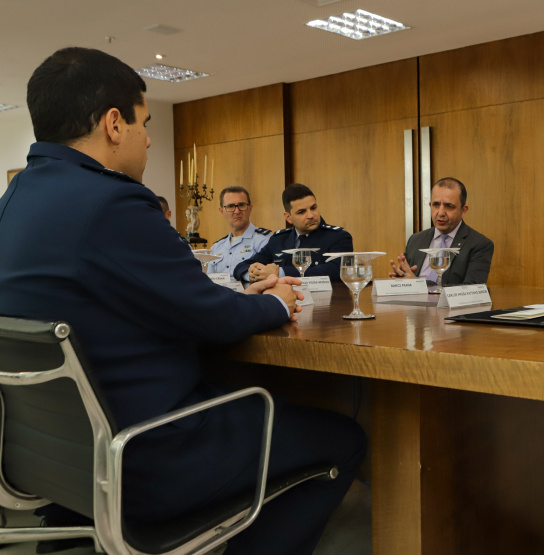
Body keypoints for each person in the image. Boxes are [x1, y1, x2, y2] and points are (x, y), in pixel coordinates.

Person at [0, 47, 366, 555]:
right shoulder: (114, 201)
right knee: (344, 439)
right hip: (152, 454)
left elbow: (126, 300)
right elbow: (212, 320)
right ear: (113, 124)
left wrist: (234, 294)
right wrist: (278, 302)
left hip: (61, 461)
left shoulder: (13, 203)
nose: (149, 138)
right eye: (144, 123)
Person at [234, 183, 353, 283]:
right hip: (283, 303)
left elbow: (336, 270)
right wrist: (251, 274)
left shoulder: (339, 237)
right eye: (301, 212)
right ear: (288, 217)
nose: (311, 215)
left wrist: (280, 272)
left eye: (313, 208)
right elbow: (242, 266)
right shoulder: (279, 239)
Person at [388, 177, 494, 285]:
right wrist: (401, 278)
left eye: (449, 206)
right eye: (436, 205)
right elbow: (407, 278)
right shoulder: (415, 240)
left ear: (463, 210)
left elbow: (472, 290)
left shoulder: (480, 244)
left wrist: (417, 284)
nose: (441, 213)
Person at [208, 186, 272, 278]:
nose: (237, 211)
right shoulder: (217, 247)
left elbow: (268, 278)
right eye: (230, 206)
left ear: (250, 208)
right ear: (221, 211)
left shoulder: (265, 241)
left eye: (241, 205)